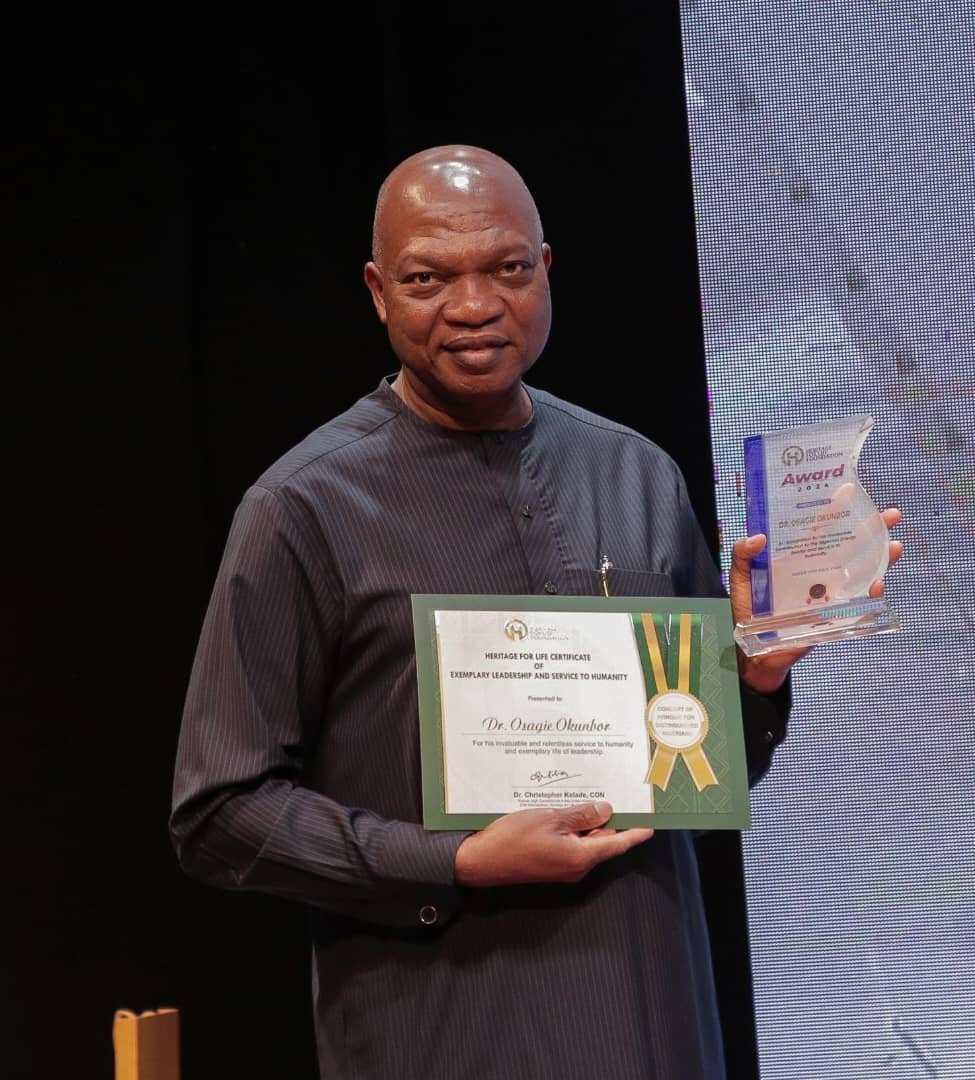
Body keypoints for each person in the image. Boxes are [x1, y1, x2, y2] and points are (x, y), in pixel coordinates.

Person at [170, 145, 903, 1079]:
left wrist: (753, 668)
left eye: (507, 268)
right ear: (376, 291)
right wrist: (455, 860)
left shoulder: (633, 473)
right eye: (429, 277)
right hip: (437, 1031)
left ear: (545, 270)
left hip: (650, 1017)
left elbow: (699, 768)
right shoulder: (306, 508)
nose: (474, 307)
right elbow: (221, 814)